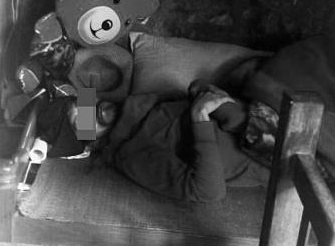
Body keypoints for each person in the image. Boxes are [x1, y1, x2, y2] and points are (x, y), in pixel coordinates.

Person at [36, 81, 271, 202]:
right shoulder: (132, 154)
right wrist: (200, 117)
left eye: (82, 102)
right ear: (88, 142)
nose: (91, 108)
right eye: (80, 119)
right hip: (272, 157)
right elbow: (210, 192)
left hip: (265, 119)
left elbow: (202, 90)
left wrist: (206, 95)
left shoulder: (138, 105)